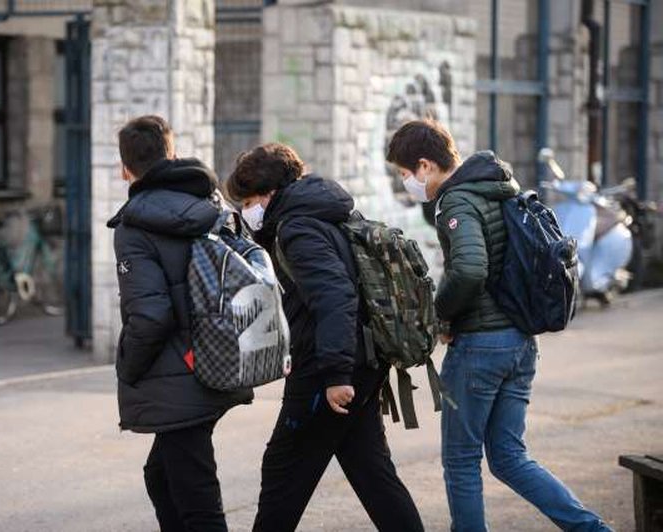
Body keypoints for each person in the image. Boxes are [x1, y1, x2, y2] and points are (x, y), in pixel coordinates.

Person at [387, 119, 612, 532]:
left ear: (424, 166)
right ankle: (592, 529)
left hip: (480, 348)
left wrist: (441, 316)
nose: (406, 183)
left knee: (461, 460)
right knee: (510, 457)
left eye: (404, 174)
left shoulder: (456, 201)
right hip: (520, 343)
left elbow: (471, 270)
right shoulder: (497, 187)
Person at [225, 143, 425, 532]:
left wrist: (335, 375)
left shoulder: (297, 228)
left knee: (284, 471)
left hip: (328, 367)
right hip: (361, 359)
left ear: (269, 195)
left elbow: (336, 295)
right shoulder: (323, 213)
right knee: (372, 473)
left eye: (249, 200)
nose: (247, 210)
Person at [108, 115, 252, 532]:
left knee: (196, 498)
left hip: (179, 373)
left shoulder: (135, 225)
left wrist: (128, 368)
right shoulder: (209, 203)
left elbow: (150, 316)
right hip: (220, 357)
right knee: (163, 477)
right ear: (171, 152)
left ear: (125, 169)